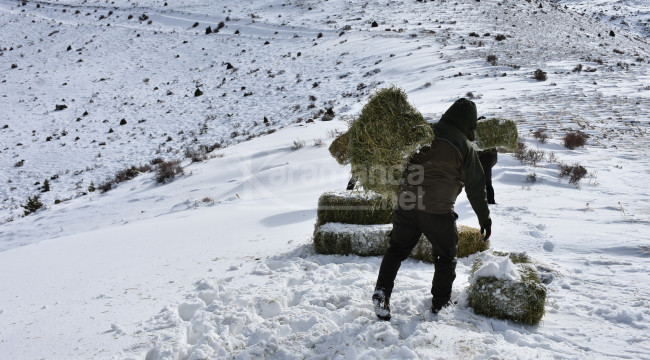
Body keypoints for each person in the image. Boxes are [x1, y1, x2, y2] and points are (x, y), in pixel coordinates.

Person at [372, 98, 492, 321]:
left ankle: (382, 293)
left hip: (406, 202)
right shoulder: (464, 146)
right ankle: (440, 303)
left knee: (396, 249)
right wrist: (484, 219)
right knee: (446, 255)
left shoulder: (423, 131)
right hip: (437, 210)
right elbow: (476, 187)